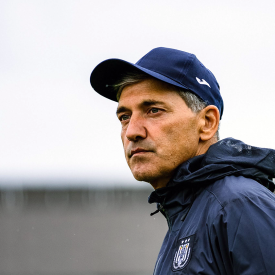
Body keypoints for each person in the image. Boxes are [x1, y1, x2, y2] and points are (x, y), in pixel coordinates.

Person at [90, 47, 275, 275]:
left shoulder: (239, 204)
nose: (132, 132)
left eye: (154, 110)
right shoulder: (189, 213)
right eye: (125, 117)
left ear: (207, 122)